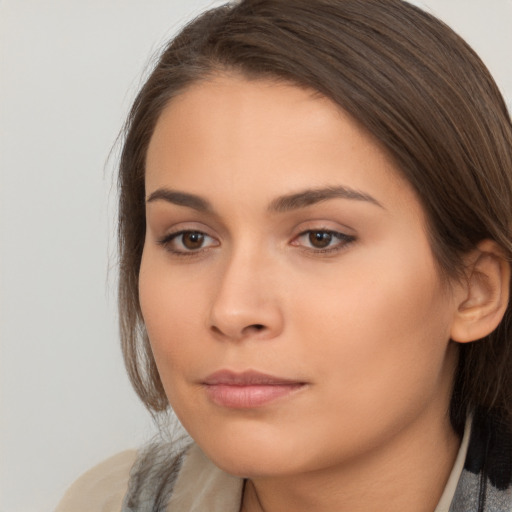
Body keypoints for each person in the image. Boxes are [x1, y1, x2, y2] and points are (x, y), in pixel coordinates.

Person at [56, 0, 512, 510]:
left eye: (321, 238)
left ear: (476, 290)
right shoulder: (111, 500)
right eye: (190, 238)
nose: (232, 310)